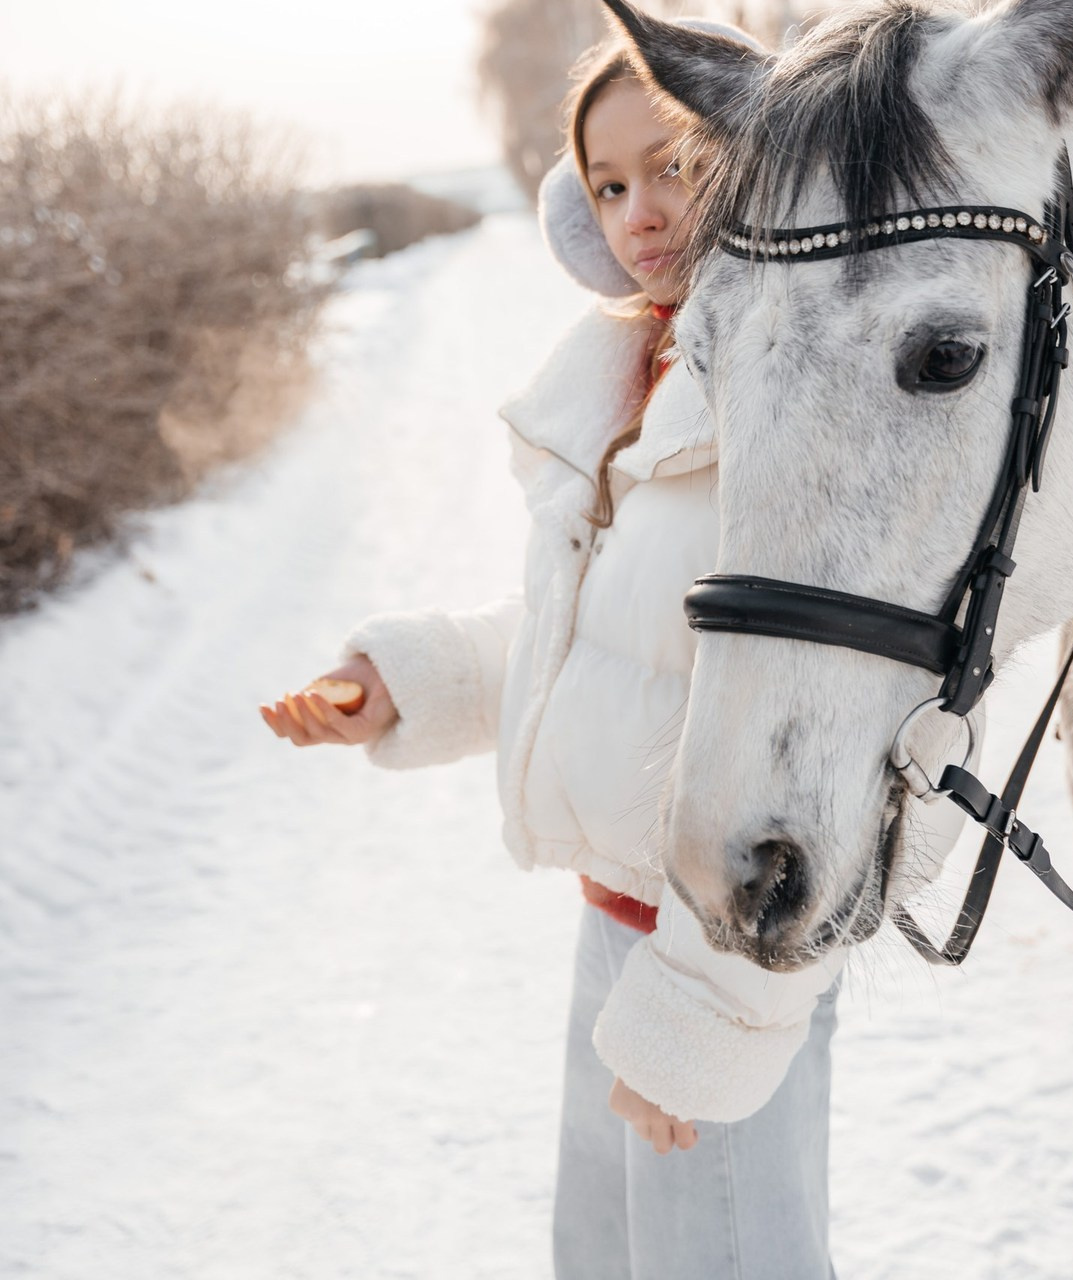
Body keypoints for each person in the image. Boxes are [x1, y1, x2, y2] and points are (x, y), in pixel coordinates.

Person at [261, 24, 964, 1278]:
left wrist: (703, 1022)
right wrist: (402, 683)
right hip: (619, 923)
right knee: (600, 1257)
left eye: (674, 163)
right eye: (606, 183)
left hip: (729, 944)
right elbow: (594, 638)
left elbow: (864, 741)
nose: (639, 208)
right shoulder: (635, 375)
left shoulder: (805, 397)